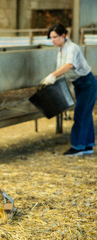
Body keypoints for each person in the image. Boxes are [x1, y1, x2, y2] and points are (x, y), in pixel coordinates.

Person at [40, 24, 97, 156]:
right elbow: (65, 70)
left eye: (55, 37)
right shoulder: (61, 50)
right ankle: (87, 146)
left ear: (63, 36)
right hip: (78, 83)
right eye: (51, 38)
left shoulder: (72, 48)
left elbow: (69, 65)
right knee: (85, 114)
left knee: (80, 114)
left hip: (87, 83)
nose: (52, 40)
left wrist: (52, 76)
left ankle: (77, 147)